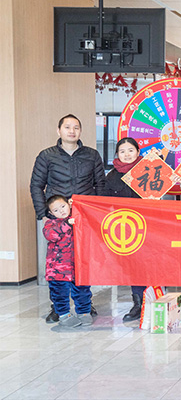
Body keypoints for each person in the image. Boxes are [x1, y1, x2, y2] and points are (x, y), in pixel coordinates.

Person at [30, 114, 104, 323]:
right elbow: (36, 185)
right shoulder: (46, 156)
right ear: (59, 130)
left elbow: (100, 184)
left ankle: (84, 304)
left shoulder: (91, 155)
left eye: (76, 127)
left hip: (84, 218)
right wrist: (44, 214)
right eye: (67, 127)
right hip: (58, 219)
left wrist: (98, 213)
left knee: (83, 262)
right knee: (58, 265)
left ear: (80, 131)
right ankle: (58, 307)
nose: (72, 131)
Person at [101, 138, 147, 322]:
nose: (127, 154)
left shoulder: (150, 169)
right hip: (128, 230)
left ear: (138, 152)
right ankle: (138, 304)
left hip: (151, 226)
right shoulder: (111, 177)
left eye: (130, 150)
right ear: (117, 154)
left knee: (153, 264)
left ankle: (157, 300)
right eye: (122, 151)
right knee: (134, 267)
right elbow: (102, 203)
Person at [43, 195, 93, 327]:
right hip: (57, 269)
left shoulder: (77, 218)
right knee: (60, 293)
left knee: (82, 290)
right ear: (51, 213)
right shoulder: (50, 224)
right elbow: (51, 235)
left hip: (78, 266)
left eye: (63, 206)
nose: (61, 211)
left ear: (69, 204)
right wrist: (66, 224)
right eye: (56, 210)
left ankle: (84, 312)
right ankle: (64, 315)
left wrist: (76, 205)